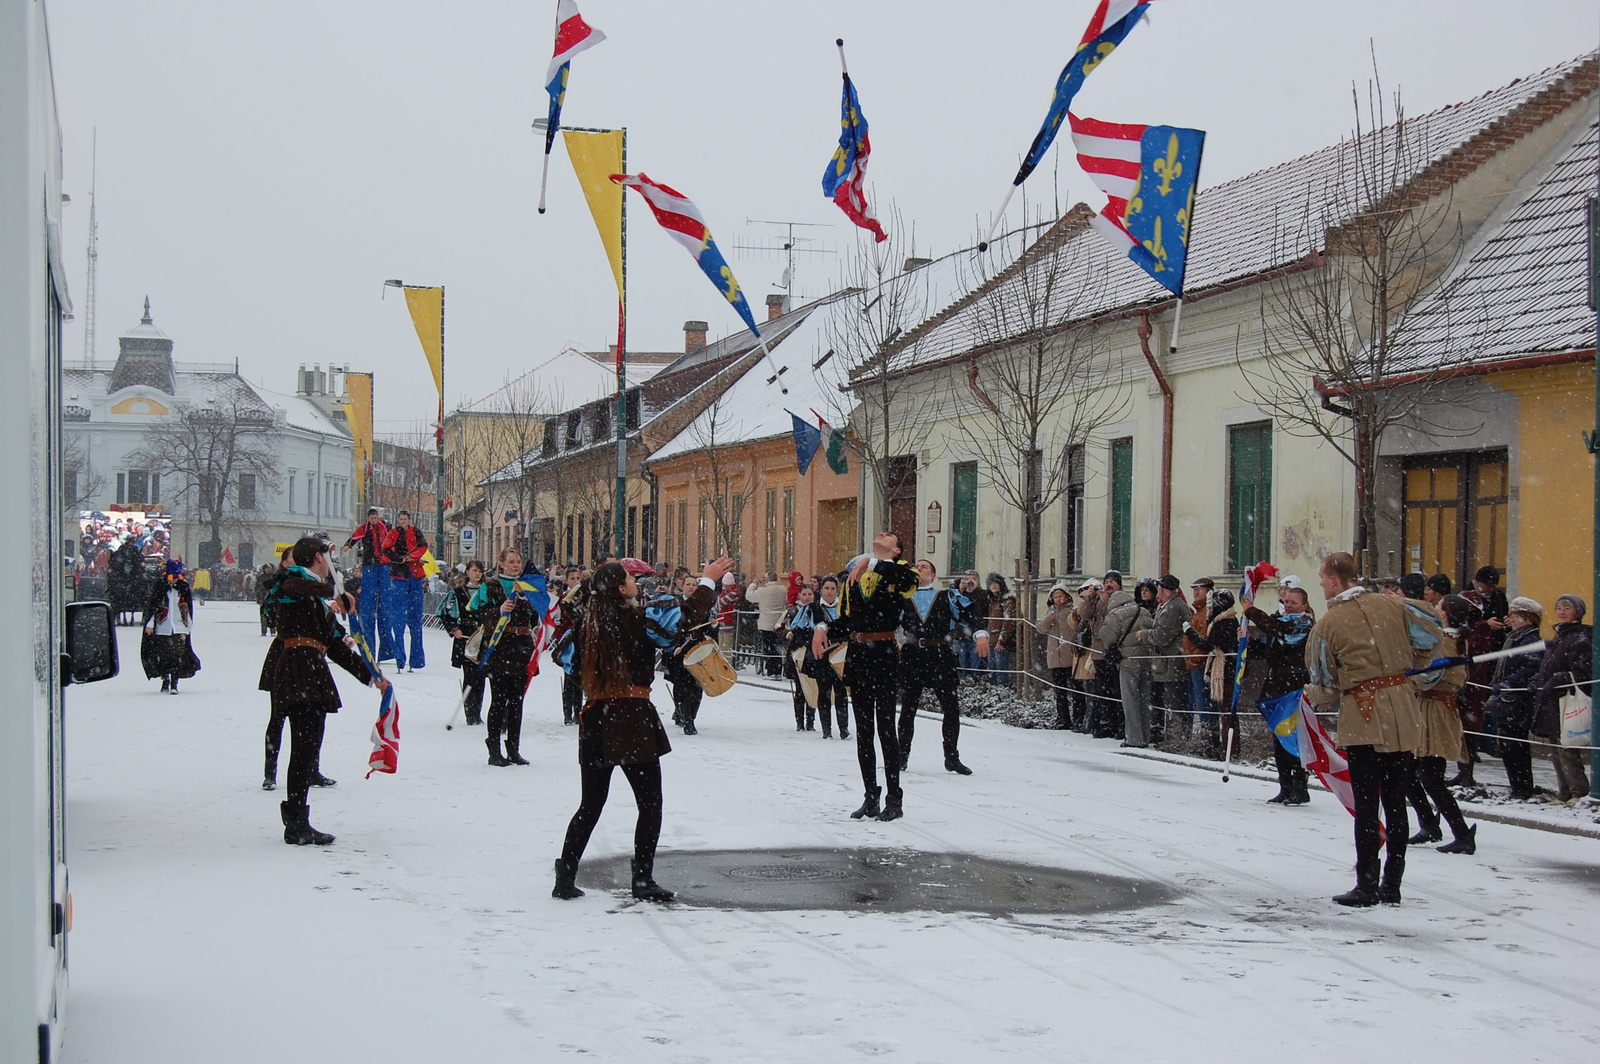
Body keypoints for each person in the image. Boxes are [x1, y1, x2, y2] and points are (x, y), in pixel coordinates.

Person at [552, 555, 728, 902]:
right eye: (630, 579)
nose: (635, 582)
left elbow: (566, 660)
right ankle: (643, 879)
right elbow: (684, 620)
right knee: (649, 803)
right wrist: (707, 581)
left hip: (596, 716)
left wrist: (602, 684)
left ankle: (566, 874)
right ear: (620, 589)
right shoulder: (635, 619)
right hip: (631, 717)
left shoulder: (588, 624)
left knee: (590, 804)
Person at [1305, 552, 1440, 906]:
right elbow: (1431, 635)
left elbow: (1325, 684)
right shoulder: (1394, 605)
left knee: (1367, 805)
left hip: (1364, 716)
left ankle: (1367, 885)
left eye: (1321, 577)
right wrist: (1409, 667)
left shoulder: (1328, 624)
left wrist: (1309, 697)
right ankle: (1392, 884)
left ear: (1335, 580)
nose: (1320, 584)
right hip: (1403, 710)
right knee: (1396, 801)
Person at [259, 537, 388, 845]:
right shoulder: (293, 582)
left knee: (309, 746)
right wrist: (335, 591)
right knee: (302, 749)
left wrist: (373, 677)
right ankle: (295, 823)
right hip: (296, 670)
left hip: (313, 672)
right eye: (327, 555)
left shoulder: (317, 597)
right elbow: (289, 589)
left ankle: (298, 818)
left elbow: (335, 647)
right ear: (318, 557)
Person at [812, 532, 919, 820]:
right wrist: (822, 629)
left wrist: (871, 562)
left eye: (889, 535)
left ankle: (894, 800)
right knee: (864, 732)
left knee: (886, 730)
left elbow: (909, 583)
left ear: (896, 549)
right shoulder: (853, 576)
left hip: (883, 653)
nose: (880, 534)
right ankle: (870, 796)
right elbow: (847, 621)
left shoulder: (903, 570)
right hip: (858, 655)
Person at [1406, 594, 1479, 854]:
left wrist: (1408, 679)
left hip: (1436, 710)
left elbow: (1430, 677)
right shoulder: (1449, 639)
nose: (1435, 610)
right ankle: (1429, 823)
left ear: (1445, 614)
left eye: (1438, 607)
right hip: (1430, 707)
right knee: (1411, 771)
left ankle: (1460, 833)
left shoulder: (1445, 643)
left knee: (1430, 776)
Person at [897, 559, 982, 774]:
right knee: (907, 709)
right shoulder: (902, 598)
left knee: (951, 708)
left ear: (933, 576)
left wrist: (981, 636)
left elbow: (970, 616)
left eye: (924, 566)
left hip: (940, 654)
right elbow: (886, 622)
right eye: (917, 566)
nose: (919, 568)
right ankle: (900, 757)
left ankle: (952, 758)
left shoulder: (948, 596)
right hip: (913, 654)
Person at [470, 547, 542, 766]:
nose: (515, 565)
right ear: (501, 563)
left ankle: (513, 748)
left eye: (518, 561)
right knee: (499, 700)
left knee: (517, 702)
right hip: (501, 648)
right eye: (510, 562)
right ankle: (494, 748)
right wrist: (499, 610)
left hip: (521, 647)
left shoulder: (527, 586)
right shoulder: (490, 586)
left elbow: (535, 615)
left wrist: (527, 600)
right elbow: (479, 612)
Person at [1238, 587, 1311, 799]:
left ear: (1304, 606)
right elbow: (1264, 651)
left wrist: (1252, 611)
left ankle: (1299, 786)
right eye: (1286, 601)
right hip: (1276, 685)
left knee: (1292, 737)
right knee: (1278, 736)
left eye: (1294, 602)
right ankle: (1285, 786)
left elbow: (1279, 630)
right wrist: (1247, 641)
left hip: (1294, 685)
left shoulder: (1302, 624)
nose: (1288, 605)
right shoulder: (1278, 623)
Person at [1531, 594, 1593, 802]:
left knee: (1566, 748)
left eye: (1567, 608)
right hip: (1551, 702)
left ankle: (1578, 790)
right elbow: (1549, 667)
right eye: (1559, 608)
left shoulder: (1581, 638)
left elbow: (1582, 672)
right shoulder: (1560, 637)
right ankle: (1564, 791)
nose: (1562, 611)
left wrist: (1557, 679)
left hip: (1566, 701)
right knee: (1555, 749)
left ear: (1577, 612)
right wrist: (1537, 681)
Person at [1486, 597, 1544, 800]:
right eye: (1513, 616)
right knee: (1509, 744)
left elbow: (1530, 669)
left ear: (1530, 619)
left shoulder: (1530, 640)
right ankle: (1517, 785)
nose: (1515, 620)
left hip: (1519, 700)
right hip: (1509, 699)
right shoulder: (1513, 637)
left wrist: (1509, 684)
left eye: (1519, 616)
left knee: (1515, 744)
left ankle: (1522, 786)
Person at [1136, 574, 1192, 746]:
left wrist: (1144, 635)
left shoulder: (1173, 608)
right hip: (1167, 662)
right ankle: (1172, 737)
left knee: (1174, 702)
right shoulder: (1167, 606)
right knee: (1170, 701)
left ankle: (1176, 739)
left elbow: (1163, 635)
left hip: (1172, 663)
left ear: (1164, 589)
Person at [1100, 577, 1153, 747]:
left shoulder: (1115, 615)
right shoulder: (1143, 611)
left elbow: (1106, 636)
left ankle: (1134, 739)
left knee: (1130, 702)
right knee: (1145, 702)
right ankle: (1146, 735)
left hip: (1128, 662)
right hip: (1145, 661)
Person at [655, 571, 709, 735]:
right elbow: (668, 627)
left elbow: (708, 630)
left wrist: (712, 625)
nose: (691, 587)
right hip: (679, 650)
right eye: (688, 585)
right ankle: (687, 721)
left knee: (697, 687)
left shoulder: (703, 605)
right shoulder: (676, 604)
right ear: (682, 587)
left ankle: (689, 714)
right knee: (682, 686)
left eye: (694, 585)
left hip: (698, 650)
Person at [141, 559, 201, 693]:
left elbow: (188, 609)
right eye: (170, 577)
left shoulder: (183, 588)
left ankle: (175, 683)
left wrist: (189, 626)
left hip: (180, 627)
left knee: (177, 656)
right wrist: (150, 624)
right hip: (163, 627)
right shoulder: (160, 587)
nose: (173, 580)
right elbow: (153, 607)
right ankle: (165, 679)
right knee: (164, 656)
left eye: (176, 577)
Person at [439, 560, 487, 726]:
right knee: (469, 676)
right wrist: (454, 629)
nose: (477, 574)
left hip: (483, 638)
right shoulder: (458, 592)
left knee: (481, 677)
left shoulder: (487, 591)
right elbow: (444, 612)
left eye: (480, 571)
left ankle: (478, 712)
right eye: (474, 570)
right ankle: (470, 713)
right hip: (466, 639)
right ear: (467, 572)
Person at [343, 507, 394, 661]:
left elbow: (390, 542)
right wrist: (348, 545)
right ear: (368, 518)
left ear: (378, 517)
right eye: (371, 517)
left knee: (384, 604)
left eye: (375, 517)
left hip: (382, 563)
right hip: (370, 564)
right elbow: (355, 537)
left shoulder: (384, 527)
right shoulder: (365, 528)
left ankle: (385, 650)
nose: (373, 520)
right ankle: (369, 649)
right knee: (369, 603)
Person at [383, 510, 429, 671]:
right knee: (398, 618)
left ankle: (416, 659)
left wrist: (413, 557)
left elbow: (423, 546)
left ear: (409, 519)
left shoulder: (415, 531)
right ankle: (399, 657)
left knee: (416, 618)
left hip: (414, 575)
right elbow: (386, 548)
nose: (402, 521)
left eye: (405, 519)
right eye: (400, 519)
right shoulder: (394, 533)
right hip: (400, 576)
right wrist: (399, 559)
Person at [811, 575, 848, 739]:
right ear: (821, 589)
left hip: (841, 654)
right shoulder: (814, 608)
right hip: (823, 654)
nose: (830, 592)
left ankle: (843, 728)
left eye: (833, 588)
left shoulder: (844, 608)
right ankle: (826, 728)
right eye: (826, 588)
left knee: (841, 692)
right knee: (824, 692)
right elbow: (805, 628)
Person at [1037, 583, 1078, 730]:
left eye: (1060, 596)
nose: (1058, 599)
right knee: (1059, 692)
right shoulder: (1049, 612)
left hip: (1071, 657)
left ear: (1067, 597)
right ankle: (1063, 719)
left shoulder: (1073, 611)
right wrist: (1049, 619)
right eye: (1055, 597)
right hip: (1055, 658)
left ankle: (1078, 719)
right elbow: (1040, 628)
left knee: (1076, 690)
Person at [1069, 579, 1105, 733]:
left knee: (1094, 692)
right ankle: (1084, 720)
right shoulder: (1082, 607)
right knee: (1082, 693)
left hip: (1093, 653)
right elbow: (1073, 622)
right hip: (1081, 653)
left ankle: (1091, 722)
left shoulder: (1102, 602)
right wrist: (1087, 600)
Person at [1182, 578, 1215, 742]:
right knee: (1201, 704)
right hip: (1195, 664)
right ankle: (1207, 738)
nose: (1195, 592)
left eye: (1200, 589)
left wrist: (1194, 657)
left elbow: (1205, 641)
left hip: (1201, 666)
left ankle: (1209, 740)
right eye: (1194, 589)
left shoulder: (1206, 613)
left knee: (1205, 705)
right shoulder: (1198, 612)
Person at [785, 584, 820, 732]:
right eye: (804, 594)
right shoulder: (793, 611)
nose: (807, 597)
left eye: (809, 594)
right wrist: (788, 634)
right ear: (799, 596)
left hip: (812, 653)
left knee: (812, 687)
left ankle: (810, 721)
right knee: (800, 689)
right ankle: (799, 721)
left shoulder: (818, 611)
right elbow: (780, 627)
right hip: (797, 652)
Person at [746, 570, 791, 678]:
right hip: (779, 624)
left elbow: (749, 596)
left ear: (767, 579)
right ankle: (778, 670)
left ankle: (771, 671)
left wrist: (754, 584)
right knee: (778, 647)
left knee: (769, 648)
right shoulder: (783, 589)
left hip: (766, 624)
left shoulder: (762, 591)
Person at [956, 572, 992, 680]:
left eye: (973, 579)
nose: (969, 581)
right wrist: (961, 591)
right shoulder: (960, 594)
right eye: (967, 579)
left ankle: (975, 679)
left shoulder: (983, 594)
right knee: (963, 658)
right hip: (962, 633)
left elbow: (980, 608)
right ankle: (966, 679)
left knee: (975, 658)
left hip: (976, 633)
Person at [984, 574, 1018, 688]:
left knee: (1001, 670)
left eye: (995, 583)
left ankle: (1003, 691)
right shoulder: (991, 601)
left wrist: (1001, 641)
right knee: (992, 669)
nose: (993, 585)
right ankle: (994, 692)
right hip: (990, 640)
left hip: (1001, 641)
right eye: (991, 583)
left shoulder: (1007, 600)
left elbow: (1008, 622)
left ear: (1001, 585)